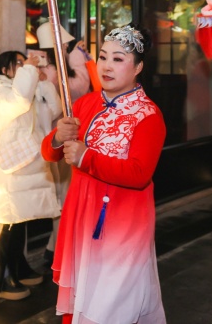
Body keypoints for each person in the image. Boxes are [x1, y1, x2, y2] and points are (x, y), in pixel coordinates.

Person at [41, 25, 167, 323]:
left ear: (138, 67)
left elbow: (139, 174)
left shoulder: (148, 115)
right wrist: (59, 136)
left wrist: (86, 157)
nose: (107, 66)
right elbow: (49, 152)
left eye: (119, 59)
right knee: (82, 301)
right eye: (103, 57)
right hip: (81, 216)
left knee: (111, 306)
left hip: (123, 223)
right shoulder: (84, 103)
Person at [0, 51, 62, 300]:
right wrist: (29, 72)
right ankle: (0, 280)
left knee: (21, 221)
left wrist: (44, 79)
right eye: (18, 63)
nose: (24, 65)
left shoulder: (24, 86)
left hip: (30, 166)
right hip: (11, 171)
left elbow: (55, 110)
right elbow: (18, 104)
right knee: (10, 224)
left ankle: (19, 268)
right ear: (4, 69)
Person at [35, 21, 93, 266]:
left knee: (63, 198)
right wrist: (79, 59)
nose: (69, 47)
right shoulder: (51, 71)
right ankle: (58, 253)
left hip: (60, 139)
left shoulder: (49, 69)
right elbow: (80, 87)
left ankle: (54, 249)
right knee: (62, 199)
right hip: (56, 141)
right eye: (66, 44)